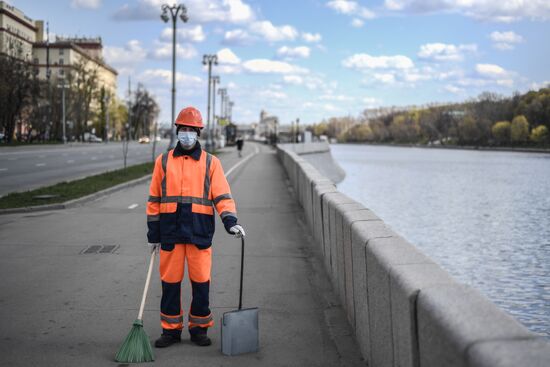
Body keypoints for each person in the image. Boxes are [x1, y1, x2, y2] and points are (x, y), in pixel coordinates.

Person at [146, 106, 245, 348]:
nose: (187, 133)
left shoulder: (211, 162)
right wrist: (154, 233)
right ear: (178, 130)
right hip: (170, 233)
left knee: (201, 283)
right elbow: (154, 199)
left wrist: (230, 222)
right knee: (170, 284)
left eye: (192, 129)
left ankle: (199, 328)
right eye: (184, 129)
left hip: (199, 233)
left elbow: (222, 196)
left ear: (198, 132)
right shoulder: (163, 161)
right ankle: (171, 330)